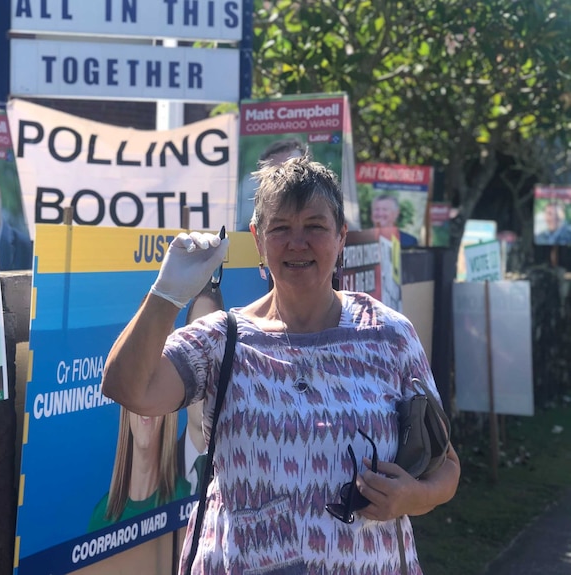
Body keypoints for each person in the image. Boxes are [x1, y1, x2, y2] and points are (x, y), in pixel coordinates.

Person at [102, 157, 460, 574]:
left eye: (315, 226)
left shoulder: (388, 335)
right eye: (280, 228)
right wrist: (166, 294)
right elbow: (128, 389)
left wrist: (412, 497)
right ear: (257, 238)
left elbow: (446, 464)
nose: (297, 242)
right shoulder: (223, 339)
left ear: (341, 236)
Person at [88, 407, 191, 532]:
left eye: (155, 392)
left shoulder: (187, 497)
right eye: (138, 390)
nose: (146, 404)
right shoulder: (100, 518)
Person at [177, 281, 224, 495]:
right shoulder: (159, 473)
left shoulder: (245, 460)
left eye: (214, 344)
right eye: (196, 345)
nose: (206, 363)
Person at [236, 138, 306, 231]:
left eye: (295, 171)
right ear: (260, 181)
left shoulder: (326, 227)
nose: (286, 181)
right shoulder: (243, 237)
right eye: (275, 174)